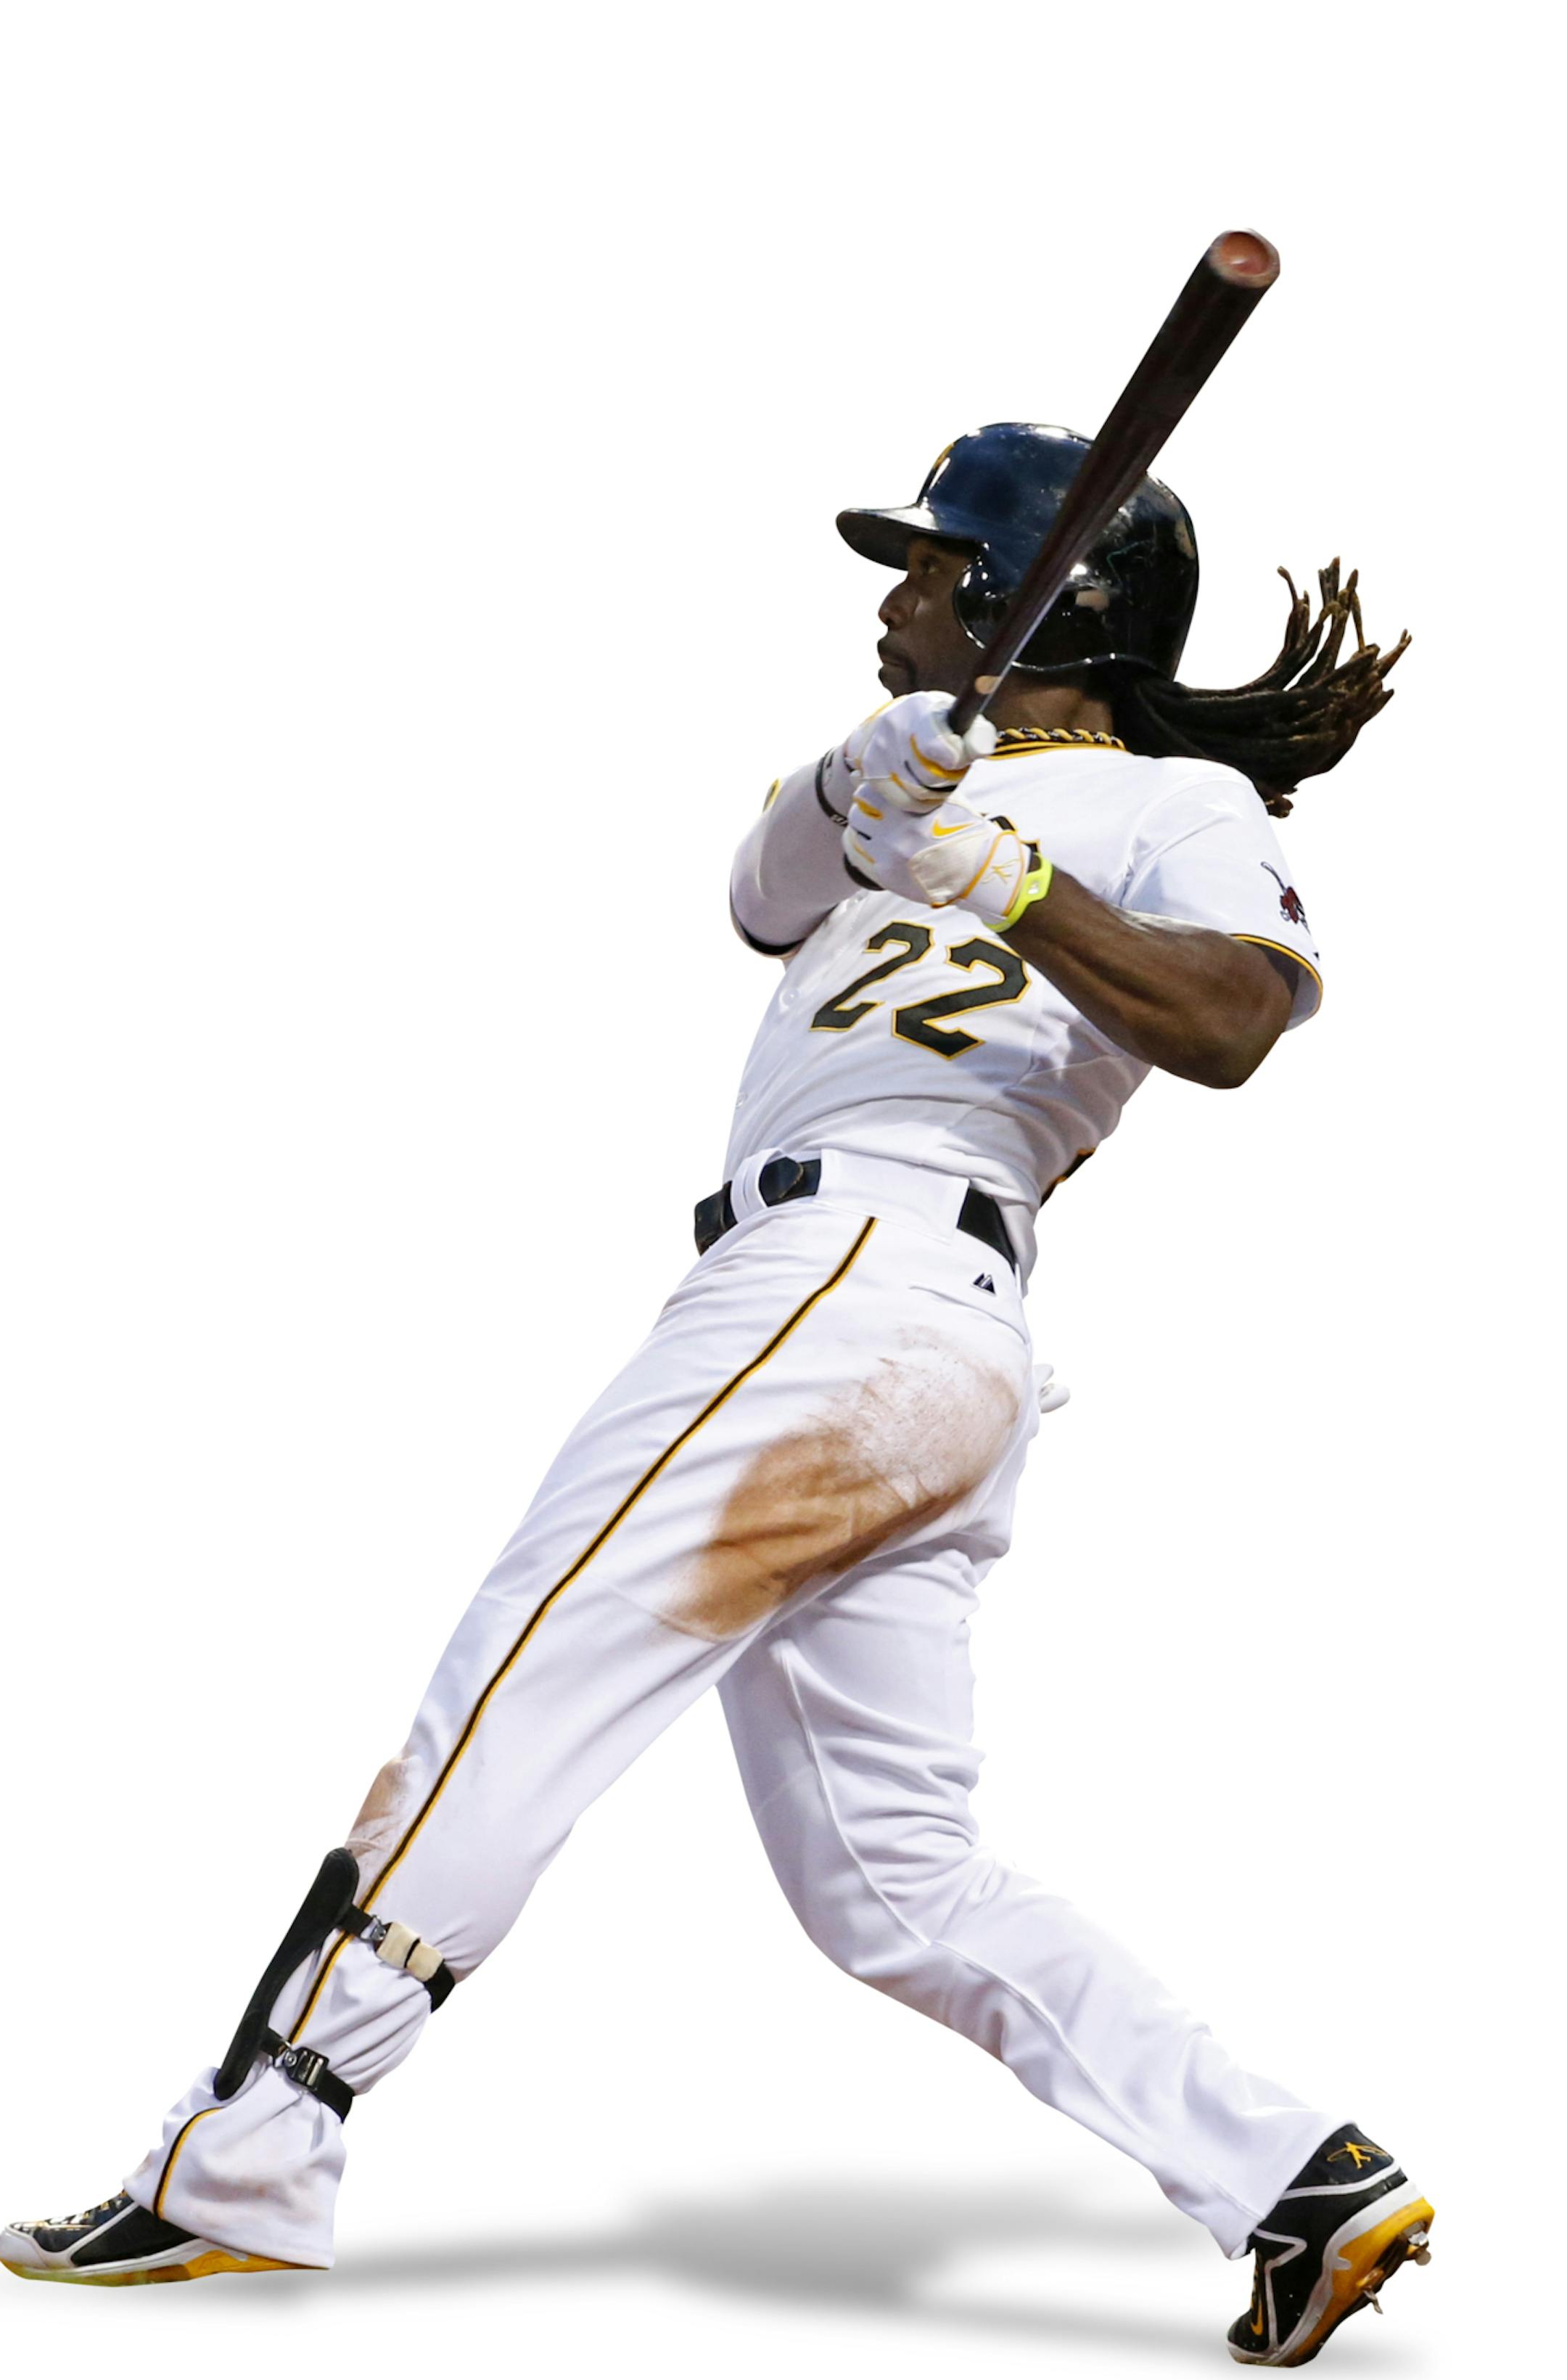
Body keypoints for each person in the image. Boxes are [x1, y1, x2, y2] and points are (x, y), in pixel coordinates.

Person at [2, 423, 1431, 2367]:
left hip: (855, 1282)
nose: (890, 596)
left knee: (520, 1673)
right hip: (891, 1337)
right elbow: (760, 896)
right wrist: (867, 779)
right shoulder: (909, 780)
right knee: (891, 1883)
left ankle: (241, 2156)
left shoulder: (1174, 806)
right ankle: (1295, 2178)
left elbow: (1235, 1024)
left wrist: (1004, 874)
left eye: (930, 568)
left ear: (1037, 601)